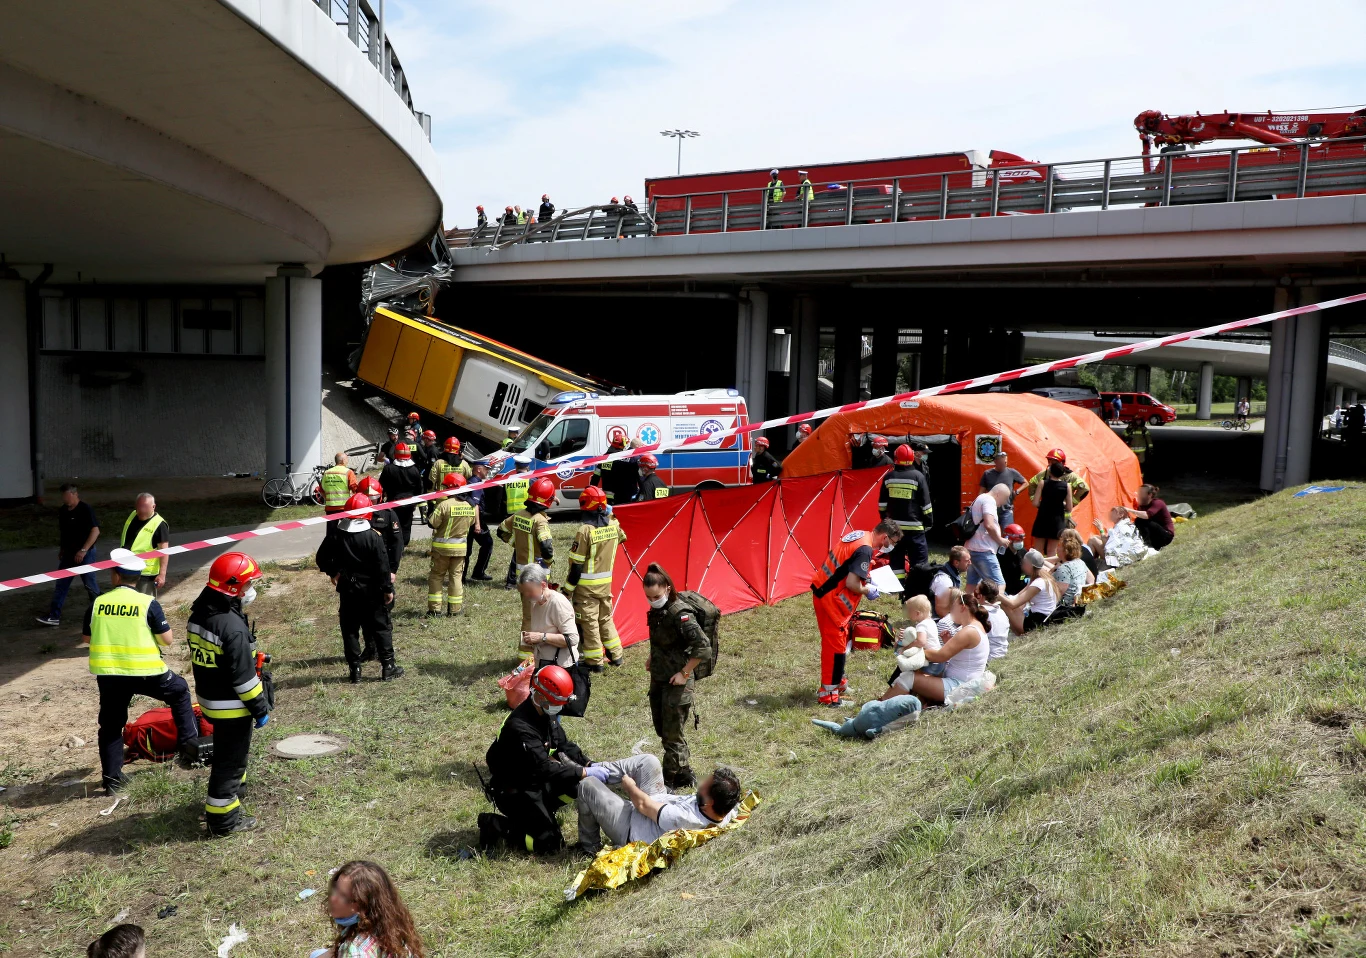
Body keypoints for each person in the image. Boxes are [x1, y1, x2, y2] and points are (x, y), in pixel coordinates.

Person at [84, 548, 197, 794]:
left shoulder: (98, 603)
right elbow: (167, 639)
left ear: (115, 575)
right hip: (147, 672)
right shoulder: (147, 603)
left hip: (111, 674)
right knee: (179, 691)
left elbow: (86, 637)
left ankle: (112, 782)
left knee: (111, 726)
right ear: (137, 578)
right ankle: (190, 750)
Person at [187, 552, 271, 835]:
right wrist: (259, 708)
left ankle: (236, 793)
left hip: (210, 699)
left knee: (229, 754)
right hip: (232, 706)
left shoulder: (200, 614)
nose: (251, 589)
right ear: (233, 587)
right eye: (248, 584)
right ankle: (223, 822)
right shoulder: (232, 628)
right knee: (229, 763)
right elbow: (244, 680)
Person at [480, 665, 589, 854]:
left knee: (576, 786)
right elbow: (545, 768)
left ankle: (544, 811)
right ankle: (495, 824)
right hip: (516, 790)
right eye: (556, 703)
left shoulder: (545, 713)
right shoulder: (521, 728)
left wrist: (588, 763)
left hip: (535, 779)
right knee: (550, 846)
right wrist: (583, 772)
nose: (559, 708)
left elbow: (563, 745)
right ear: (540, 697)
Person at [810, 520, 902, 707]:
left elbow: (846, 565)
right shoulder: (865, 549)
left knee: (840, 641)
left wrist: (866, 577)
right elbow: (852, 583)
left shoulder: (860, 536)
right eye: (893, 542)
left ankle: (839, 683)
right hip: (831, 600)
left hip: (824, 591)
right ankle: (829, 697)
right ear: (885, 537)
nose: (891, 546)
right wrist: (868, 590)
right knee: (835, 648)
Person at [575, 757, 742, 856]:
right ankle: (592, 768)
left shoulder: (684, 819)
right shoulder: (724, 809)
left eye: (706, 785)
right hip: (656, 806)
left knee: (588, 785)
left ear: (711, 802)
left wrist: (630, 786)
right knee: (649, 761)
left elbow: (642, 805)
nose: (702, 783)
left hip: (631, 826)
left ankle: (590, 847)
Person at [315, 494, 401, 683]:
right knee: (381, 627)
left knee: (350, 630)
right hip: (373, 591)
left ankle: (355, 670)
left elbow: (321, 558)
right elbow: (383, 566)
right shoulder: (374, 536)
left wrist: (334, 573)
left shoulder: (336, 535)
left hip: (348, 590)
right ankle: (388, 667)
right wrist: (388, 589)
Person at [642, 564, 714, 787]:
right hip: (660, 675)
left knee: (672, 733)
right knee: (663, 728)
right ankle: (684, 771)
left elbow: (704, 647)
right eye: (648, 597)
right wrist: (653, 657)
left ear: (667, 588)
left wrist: (684, 672)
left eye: (656, 596)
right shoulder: (659, 611)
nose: (653, 600)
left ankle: (669, 780)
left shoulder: (681, 614)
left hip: (678, 680)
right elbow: (663, 639)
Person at [883, 589, 989, 706]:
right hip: (962, 683)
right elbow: (966, 655)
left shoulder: (969, 631)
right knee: (916, 674)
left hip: (959, 686)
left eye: (953, 607)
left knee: (907, 678)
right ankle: (898, 704)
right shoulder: (974, 627)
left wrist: (917, 652)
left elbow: (940, 656)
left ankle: (881, 707)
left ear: (963, 608)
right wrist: (948, 642)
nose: (950, 611)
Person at [566, 486, 626, 669]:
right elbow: (623, 537)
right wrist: (610, 516)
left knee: (589, 622)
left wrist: (567, 590)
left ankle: (594, 662)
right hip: (605, 585)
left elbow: (576, 566)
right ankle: (617, 655)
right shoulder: (614, 525)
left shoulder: (585, 530)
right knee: (606, 619)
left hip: (585, 588)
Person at [316, 860, 425, 958]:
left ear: (364, 905)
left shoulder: (353, 951)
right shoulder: (391, 922)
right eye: (336, 887)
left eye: (344, 897)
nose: (333, 898)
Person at [498, 477, 557, 641]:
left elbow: (501, 530)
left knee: (528, 615)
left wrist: (515, 544)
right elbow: (546, 546)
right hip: (538, 577)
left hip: (522, 575)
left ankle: (529, 650)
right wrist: (549, 561)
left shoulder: (518, 515)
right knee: (538, 616)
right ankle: (530, 650)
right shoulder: (540, 521)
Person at [36, 482, 102, 627]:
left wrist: (83, 550)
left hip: (85, 554)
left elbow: (95, 531)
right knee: (61, 584)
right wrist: (62, 550)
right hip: (68, 554)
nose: (64, 499)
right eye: (63, 496)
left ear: (74, 494)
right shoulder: (63, 511)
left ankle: (100, 613)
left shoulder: (85, 509)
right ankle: (54, 616)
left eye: (66, 495)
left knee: (90, 584)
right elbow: (64, 533)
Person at [878, 443, 934, 578]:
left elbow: (882, 505)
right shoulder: (918, 476)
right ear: (911, 458)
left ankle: (898, 586)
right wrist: (928, 523)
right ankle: (916, 586)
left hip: (894, 530)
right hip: (915, 530)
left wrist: (887, 522)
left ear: (896, 458)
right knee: (919, 563)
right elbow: (926, 506)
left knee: (896, 562)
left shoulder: (889, 478)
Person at [426, 474, 476, 618]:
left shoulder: (444, 505)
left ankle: (435, 610)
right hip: (460, 550)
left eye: (446, 487)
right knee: (456, 577)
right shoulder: (470, 506)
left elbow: (432, 523)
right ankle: (454, 610)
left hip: (441, 550)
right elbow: (472, 523)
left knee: (437, 576)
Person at [517, 565, 580, 668]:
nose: (527, 595)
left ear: (542, 585)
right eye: (524, 592)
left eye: (529, 591)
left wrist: (542, 637)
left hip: (561, 668)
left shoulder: (558, 603)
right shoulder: (535, 602)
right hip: (543, 665)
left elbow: (572, 638)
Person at [998, 549, 1059, 634]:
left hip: (1039, 621)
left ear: (1030, 565)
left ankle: (1019, 634)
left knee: (1004, 604)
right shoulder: (1042, 577)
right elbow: (1018, 597)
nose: (1021, 565)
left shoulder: (1038, 583)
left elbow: (1013, 604)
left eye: (1023, 563)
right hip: (1043, 617)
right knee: (1011, 603)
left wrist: (997, 594)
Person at [120, 492, 170, 596]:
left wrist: (162, 574)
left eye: (145, 507)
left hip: (145, 575)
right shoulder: (133, 515)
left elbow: (164, 551)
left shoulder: (159, 525)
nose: (141, 510)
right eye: (139, 506)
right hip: (127, 569)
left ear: (153, 507)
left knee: (145, 602)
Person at [965, 484, 1011, 592]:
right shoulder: (989, 501)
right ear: (998, 494)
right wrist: (1000, 540)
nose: (1004, 503)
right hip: (983, 550)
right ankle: (997, 603)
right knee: (999, 585)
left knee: (972, 585)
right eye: (1005, 498)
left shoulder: (980, 498)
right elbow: (989, 525)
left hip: (972, 548)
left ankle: (966, 602)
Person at [1030, 450, 1072, 558]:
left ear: (1050, 471)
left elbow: (1035, 503)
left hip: (1042, 518)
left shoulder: (1042, 483)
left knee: (1037, 550)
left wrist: (1043, 504)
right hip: (1057, 520)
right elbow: (1069, 507)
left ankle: (1036, 568)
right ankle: (1050, 569)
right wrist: (1060, 504)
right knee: (1052, 551)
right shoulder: (1067, 486)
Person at [378, 443, 422, 545]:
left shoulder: (388, 469)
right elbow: (419, 488)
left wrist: (382, 499)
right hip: (409, 504)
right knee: (406, 525)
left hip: (392, 503)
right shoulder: (414, 470)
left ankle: (393, 544)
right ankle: (404, 544)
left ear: (395, 454)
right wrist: (415, 502)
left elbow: (381, 485)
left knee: (393, 525)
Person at [500, 456, 533, 588]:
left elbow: (503, 499)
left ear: (516, 466)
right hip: (524, 516)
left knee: (519, 546)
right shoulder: (530, 479)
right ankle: (512, 580)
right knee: (521, 548)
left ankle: (514, 578)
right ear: (528, 467)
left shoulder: (508, 480)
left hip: (511, 516)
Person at [463, 459, 495, 583]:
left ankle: (463, 576)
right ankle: (477, 573)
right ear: (479, 469)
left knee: (468, 549)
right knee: (487, 543)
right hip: (475, 519)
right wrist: (477, 524)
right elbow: (475, 505)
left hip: (469, 519)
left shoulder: (472, 481)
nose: (487, 472)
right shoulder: (475, 483)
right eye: (486, 469)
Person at [1046, 531, 1091, 619]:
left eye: (1059, 546)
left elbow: (1058, 593)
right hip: (1078, 601)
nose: (1056, 548)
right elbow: (1091, 580)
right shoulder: (1080, 562)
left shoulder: (1064, 568)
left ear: (1065, 551)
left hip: (1065, 606)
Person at [979, 452, 1026, 529]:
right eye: (1002, 463)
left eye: (1006, 462)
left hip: (1007, 510)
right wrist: (981, 504)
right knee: (991, 531)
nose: (1005, 464)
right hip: (991, 509)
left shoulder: (1011, 472)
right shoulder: (987, 474)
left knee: (1008, 531)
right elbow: (981, 492)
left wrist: (1017, 492)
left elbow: (1026, 483)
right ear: (995, 462)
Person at [591, 434, 639, 505]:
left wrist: (592, 491)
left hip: (608, 497)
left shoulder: (605, 458)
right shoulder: (624, 460)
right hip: (622, 496)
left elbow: (596, 477)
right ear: (622, 446)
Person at [1127, 483, 1175, 550]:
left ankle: (1148, 546)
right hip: (1154, 535)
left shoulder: (1158, 503)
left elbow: (1147, 515)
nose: (1138, 495)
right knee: (1138, 521)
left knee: (1140, 520)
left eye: (1141, 493)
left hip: (1166, 536)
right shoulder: (1142, 506)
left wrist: (1128, 510)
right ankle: (1146, 544)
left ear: (1149, 495)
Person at [928, 545, 971, 617]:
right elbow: (940, 610)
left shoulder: (953, 573)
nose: (970, 563)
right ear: (956, 562)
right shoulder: (944, 581)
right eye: (967, 561)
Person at [321, 452, 360, 526]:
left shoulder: (327, 473)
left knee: (331, 531)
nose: (347, 461)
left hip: (330, 507)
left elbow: (322, 489)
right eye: (347, 459)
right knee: (347, 529)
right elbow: (354, 488)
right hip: (344, 506)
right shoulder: (348, 472)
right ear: (343, 460)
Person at [977, 581, 1010, 659]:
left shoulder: (981, 613)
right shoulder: (1001, 612)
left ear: (980, 596)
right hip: (1003, 654)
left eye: (976, 593)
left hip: (988, 658)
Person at [998, 523, 1029, 594]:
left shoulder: (1023, 551)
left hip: (1021, 588)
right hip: (1007, 589)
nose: (1020, 542)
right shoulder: (1001, 555)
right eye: (1018, 540)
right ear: (1009, 540)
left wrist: (1027, 577)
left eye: (1021, 540)